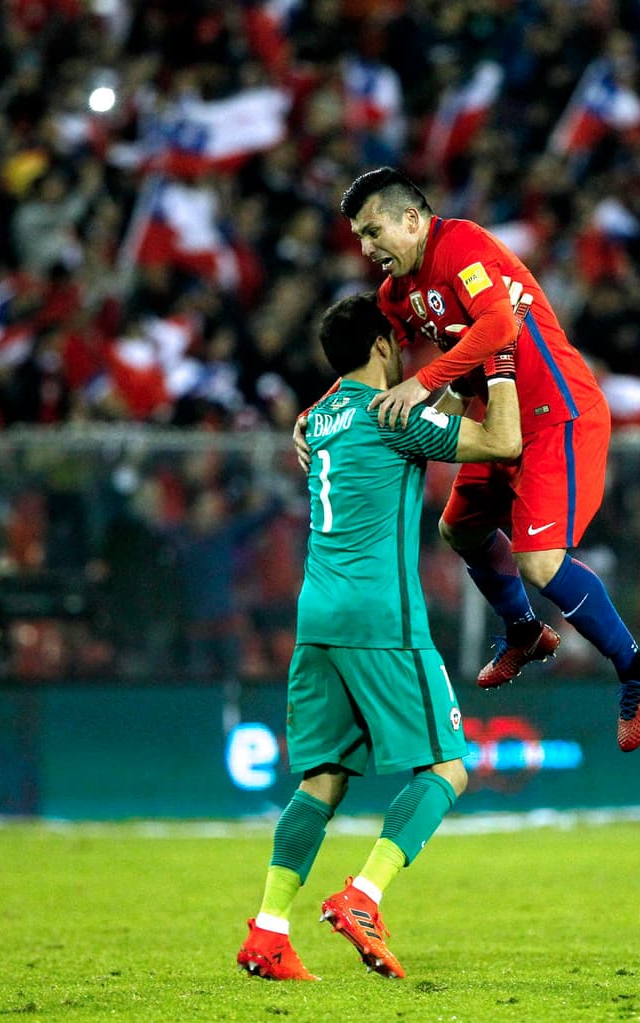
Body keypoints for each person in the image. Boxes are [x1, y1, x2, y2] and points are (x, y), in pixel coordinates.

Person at [306, 166, 640, 753]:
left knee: (540, 562)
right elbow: (365, 360)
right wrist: (315, 412)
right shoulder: (398, 295)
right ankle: (524, 632)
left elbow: (498, 322)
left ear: (412, 219)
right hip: (500, 420)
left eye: (374, 232)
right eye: (359, 238)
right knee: (460, 528)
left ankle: (637, 669)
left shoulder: (461, 245)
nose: (368, 249)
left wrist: (426, 382)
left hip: (558, 415)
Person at [237, 292, 523, 982]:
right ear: (382, 347)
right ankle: (362, 895)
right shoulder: (393, 414)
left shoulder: (322, 415)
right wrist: (503, 363)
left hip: (318, 616)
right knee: (448, 766)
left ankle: (268, 933)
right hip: (381, 619)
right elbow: (502, 441)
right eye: (396, 341)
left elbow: (389, 414)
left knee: (324, 779)